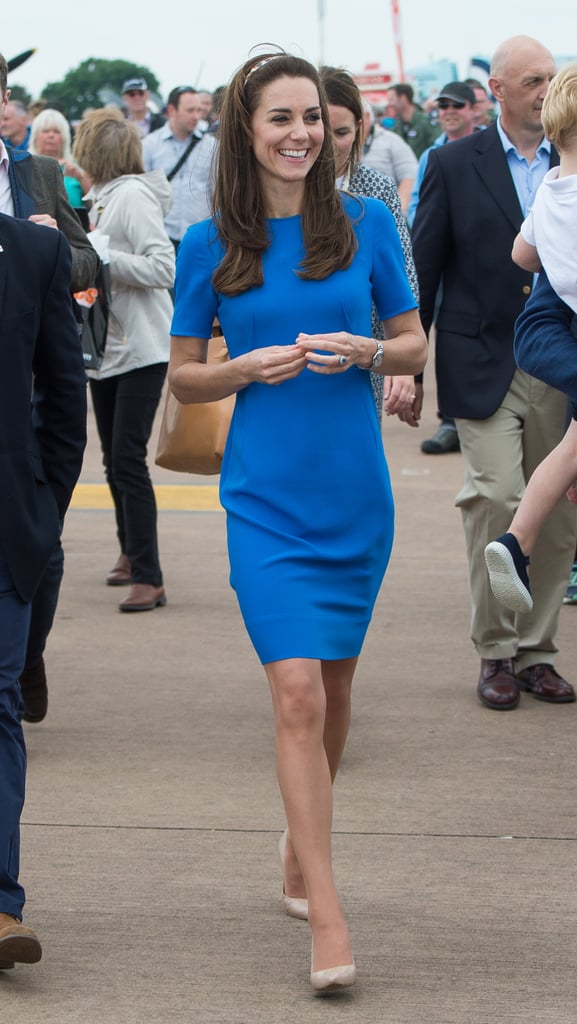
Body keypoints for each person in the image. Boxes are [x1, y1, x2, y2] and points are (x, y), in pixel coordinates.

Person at [169, 50, 427, 993]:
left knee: (337, 691)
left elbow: (410, 339)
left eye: (311, 118)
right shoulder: (209, 244)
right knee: (297, 695)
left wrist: (371, 349)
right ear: (247, 129)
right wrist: (242, 368)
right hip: (265, 500)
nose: (299, 134)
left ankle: (296, 843)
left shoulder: (364, 224)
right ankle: (327, 908)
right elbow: (183, 371)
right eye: (279, 118)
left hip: (354, 495)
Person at [411, 35, 576, 712]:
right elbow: (425, 262)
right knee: (495, 497)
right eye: (531, 78)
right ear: (497, 90)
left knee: (559, 518)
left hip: (558, 365)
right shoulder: (451, 163)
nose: (544, 87)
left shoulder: (568, 158)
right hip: (477, 357)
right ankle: (495, 650)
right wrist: (406, 363)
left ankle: (537, 651)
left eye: (551, 77)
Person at [0, 51, 98, 724]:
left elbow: (86, 255)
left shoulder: (39, 175)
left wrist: (49, 250)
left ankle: (27, 653)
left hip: (22, 437)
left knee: (45, 551)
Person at [0, 213, 87, 971]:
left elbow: (64, 393)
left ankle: (0, 904)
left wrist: (41, 511)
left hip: (5, 522)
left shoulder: (33, 249)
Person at [73, 108, 175, 611]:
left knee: (128, 460)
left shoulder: (131, 196)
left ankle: (150, 576)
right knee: (115, 459)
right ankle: (131, 555)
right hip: (111, 348)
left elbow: (163, 266)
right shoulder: (103, 198)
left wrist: (103, 256)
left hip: (142, 348)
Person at [485, 63, 577, 618]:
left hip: (561, 325)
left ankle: (517, 541)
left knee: (568, 450)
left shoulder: (549, 191)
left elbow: (522, 256)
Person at [319, 65, 420, 425]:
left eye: (343, 132)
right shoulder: (270, 191)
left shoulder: (375, 189)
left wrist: (401, 363)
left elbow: (403, 275)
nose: (330, 143)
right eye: (320, 126)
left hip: (363, 356)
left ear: (361, 128)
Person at [406, 81, 479, 456]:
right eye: (443, 105)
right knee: (443, 330)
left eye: (456, 104)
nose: (448, 110)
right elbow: (419, 204)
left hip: (477, 259)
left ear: (473, 109)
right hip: (439, 253)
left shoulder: (488, 150)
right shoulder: (432, 155)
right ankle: (451, 419)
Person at [142, 86, 216, 251]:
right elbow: (143, 193)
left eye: (199, 110)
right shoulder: (150, 145)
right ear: (171, 110)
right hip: (161, 238)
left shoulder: (212, 146)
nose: (196, 116)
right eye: (190, 110)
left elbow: (218, 191)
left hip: (203, 238)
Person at [28, 107, 90, 214]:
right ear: (35, 137)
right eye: (45, 131)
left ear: (65, 138)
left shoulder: (77, 166)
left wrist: (81, 178)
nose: (51, 135)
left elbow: (96, 204)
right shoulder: (24, 166)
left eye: (56, 131)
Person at [361, 98, 417, 213]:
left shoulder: (392, 141)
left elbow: (410, 176)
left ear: (366, 117)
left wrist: (397, 214)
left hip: (386, 215)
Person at [387, 82, 439, 157]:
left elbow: (437, 150)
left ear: (403, 98)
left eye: (391, 100)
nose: (389, 104)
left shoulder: (426, 123)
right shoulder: (395, 127)